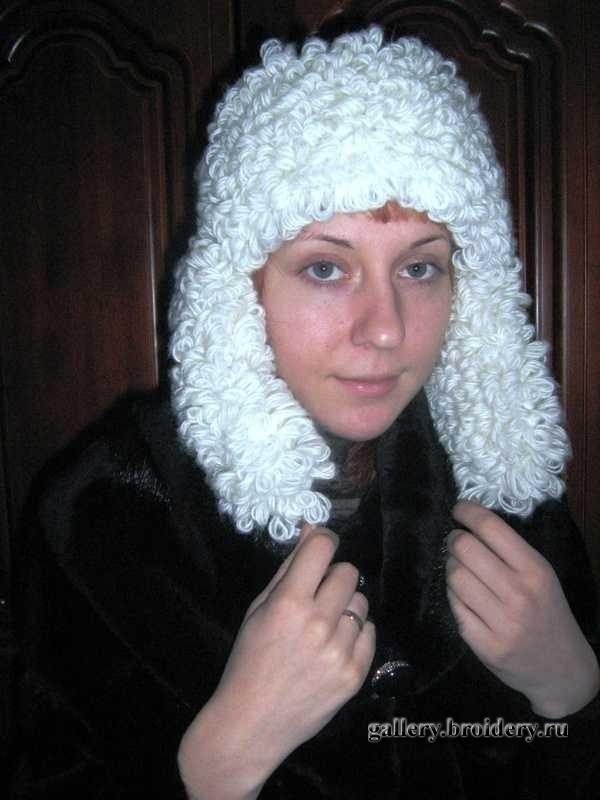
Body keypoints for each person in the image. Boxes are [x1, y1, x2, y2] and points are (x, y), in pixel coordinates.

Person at [11, 26, 600, 800]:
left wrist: (573, 694)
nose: (385, 329)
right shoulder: (106, 515)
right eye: (326, 267)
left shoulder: (506, 498)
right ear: (240, 284)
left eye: (421, 267)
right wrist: (222, 757)